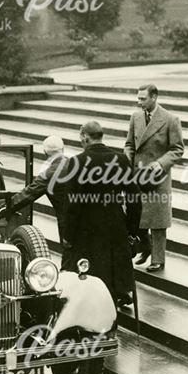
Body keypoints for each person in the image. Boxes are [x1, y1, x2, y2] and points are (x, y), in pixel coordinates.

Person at [63, 121, 134, 304]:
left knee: (91, 280)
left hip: (88, 231)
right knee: (112, 276)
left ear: (85, 136)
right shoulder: (121, 159)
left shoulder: (77, 162)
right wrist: (132, 230)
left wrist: (68, 235)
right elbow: (135, 198)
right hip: (115, 226)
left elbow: (73, 204)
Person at [123, 84, 184, 273]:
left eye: (143, 99)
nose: (138, 102)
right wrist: (126, 161)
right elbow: (129, 144)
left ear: (154, 97)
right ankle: (145, 247)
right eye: (138, 98)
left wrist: (160, 164)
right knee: (137, 214)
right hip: (136, 175)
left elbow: (177, 149)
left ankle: (158, 259)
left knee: (158, 221)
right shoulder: (136, 117)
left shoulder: (170, 120)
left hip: (158, 177)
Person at [3, 135, 71, 253]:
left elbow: (28, 193)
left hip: (69, 224)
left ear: (45, 153)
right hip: (88, 220)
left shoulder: (50, 174)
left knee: (69, 259)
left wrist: (4, 208)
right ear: (63, 149)